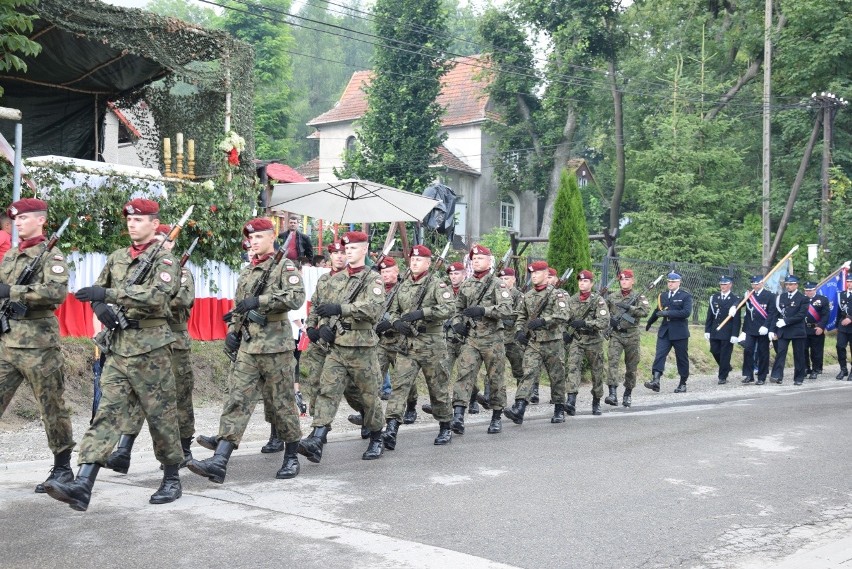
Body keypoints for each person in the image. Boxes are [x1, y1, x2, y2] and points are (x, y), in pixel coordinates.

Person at [45, 198, 182, 511]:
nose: (132, 224)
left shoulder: (165, 260)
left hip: (151, 348)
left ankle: (172, 477)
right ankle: (84, 482)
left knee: (160, 416)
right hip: (119, 347)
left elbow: (155, 297)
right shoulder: (118, 256)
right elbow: (98, 288)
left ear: (153, 223)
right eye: (129, 220)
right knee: (107, 413)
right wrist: (100, 307)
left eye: (138, 220)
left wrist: (107, 295)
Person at [188, 217, 306, 483]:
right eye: (250, 239)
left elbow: (296, 297)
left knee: (282, 403)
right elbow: (241, 306)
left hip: (276, 347)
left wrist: (261, 300)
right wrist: (233, 333)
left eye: (258, 237)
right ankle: (219, 461)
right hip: (249, 346)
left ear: (271, 236)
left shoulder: (284, 267)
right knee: (237, 400)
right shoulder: (247, 271)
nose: (253, 243)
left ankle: (291, 457)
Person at [103, 224, 197, 474]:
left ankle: (184, 449)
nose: (160, 244)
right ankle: (123, 450)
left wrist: (145, 296)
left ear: (172, 244)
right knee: (136, 399)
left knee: (177, 400)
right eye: (156, 240)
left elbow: (178, 299)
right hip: (145, 342)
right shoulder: (143, 273)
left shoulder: (181, 272)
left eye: (164, 241)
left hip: (174, 342)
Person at [0, 198, 75, 494]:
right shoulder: (11, 256)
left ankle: (63, 468)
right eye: (15, 219)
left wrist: (14, 290)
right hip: (7, 342)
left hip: (40, 346)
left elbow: (56, 292)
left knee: (52, 407)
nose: (18, 223)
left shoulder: (51, 256)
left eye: (24, 218)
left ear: (40, 220)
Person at [298, 230, 386, 463]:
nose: (348, 252)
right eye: (346, 249)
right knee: (327, 390)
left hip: (362, 348)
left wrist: (342, 309)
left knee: (369, 397)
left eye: (354, 248)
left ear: (364, 250)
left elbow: (373, 310)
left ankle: (377, 437)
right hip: (337, 347)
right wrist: (318, 327)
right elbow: (320, 306)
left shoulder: (373, 279)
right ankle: (317, 438)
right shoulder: (335, 279)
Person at [383, 245, 454, 449]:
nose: (414, 263)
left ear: (428, 263)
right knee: (399, 387)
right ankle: (391, 429)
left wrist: (423, 313)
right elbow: (394, 310)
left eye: (419, 260)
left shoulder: (437, 285)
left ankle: (445, 426)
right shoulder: (403, 285)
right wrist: (397, 323)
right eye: (412, 260)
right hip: (408, 345)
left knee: (437, 387)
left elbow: (449, 308)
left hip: (432, 344)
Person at [449, 244, 513, 435]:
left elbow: (507, 310)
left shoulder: (497, 284)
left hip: (493, 339)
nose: (476, 261)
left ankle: (496, 417)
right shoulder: (467, 284)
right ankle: (458, 416)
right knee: (464, 374)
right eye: (473, 259)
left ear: (488, 261)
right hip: (472, 338)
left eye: (480, 258)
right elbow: (457, 308)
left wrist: (484, 310)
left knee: (495, 379)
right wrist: (458, 322)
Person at [504, 261, 569, 425]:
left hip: (553, 342)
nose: (533, 276)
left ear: (546, 275)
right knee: (528, 373)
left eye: (537, 273)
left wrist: (543, 321)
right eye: (531, 273)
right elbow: (521, 315)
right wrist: (519, 330)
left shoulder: (557, 294)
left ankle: (559, 409)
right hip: (534, 343)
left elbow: (563, 315)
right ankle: (519, 407)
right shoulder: (528, 295)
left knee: (557, 377)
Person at [564, 270, 610, 416]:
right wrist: (566, 332)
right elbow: (565, 318)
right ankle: (571, 401)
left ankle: (596, 401)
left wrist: (585, 323)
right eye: (580, 281)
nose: (581, 283)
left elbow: (604, 321)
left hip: (594, 340)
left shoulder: (598, 301)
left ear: (591, 283)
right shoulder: (572, 300)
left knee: (597, 371)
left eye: (585, 281)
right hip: (577, 340)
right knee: (572, 368)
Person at [605, 269, 650, 407]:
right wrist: (609, 321)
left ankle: (628, 393)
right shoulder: (612, 297)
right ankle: (612, 393)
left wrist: (630, 308)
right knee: (612, 362)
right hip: (616, 334)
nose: (624, 282)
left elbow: (645, 312)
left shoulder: (638, 297)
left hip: (632, 335)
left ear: (632, 281)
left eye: (627, 279)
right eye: (622, 280)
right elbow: (603, 312)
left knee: (631, 366)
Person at [644, 272, 692, 393]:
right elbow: (657, 310)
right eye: (669, 282)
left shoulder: (685, 296)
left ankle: (683, 383)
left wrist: (668, 313)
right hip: (665, 331)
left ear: (679, 282)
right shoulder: (663, 295)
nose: (670, 284)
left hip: (679, 331)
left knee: (682, 358)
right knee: (660, 355)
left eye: (673, 282)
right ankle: (655, 380)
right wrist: (650, 322)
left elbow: (686, 312)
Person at [769, 275, 808, 385]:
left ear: (796, 285)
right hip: (783, 331)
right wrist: (772, 330)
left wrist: (786, 321)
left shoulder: (803, 298)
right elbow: (776, 315)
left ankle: (798, 378)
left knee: (799, 354)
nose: (788, 286)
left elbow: (801, 315)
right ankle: (777, 376)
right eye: (787, 284)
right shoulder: (781, 297)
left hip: (797, 331)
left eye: (790, 284)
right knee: (780, 353)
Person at [703, 275, 741, 385]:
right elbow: (710, 315)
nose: (722, 286)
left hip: (727, 331)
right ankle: (727, 367)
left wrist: (735, 334)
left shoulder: (735, 299)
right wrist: (707, 330)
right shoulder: (714, 297)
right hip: (715, 330)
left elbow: (736, 320)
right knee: (714, 350)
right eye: (721, 284)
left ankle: (722, 376)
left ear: (730, 285)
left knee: (725, 354)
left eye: (725, 284)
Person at [740, 275, 776, 385]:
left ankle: (762, 376)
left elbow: (772, 313)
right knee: (748, 351)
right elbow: (739, 303)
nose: (755, 286)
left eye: (757, 283)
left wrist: (766, 326)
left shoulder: (770, 296)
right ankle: (748, 375)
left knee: (763, 352)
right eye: (753, 284)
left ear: (762, 283)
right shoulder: (749, 295)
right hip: (750, 328)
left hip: (763, 329)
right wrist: (733, 306)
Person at [498, 268, 527, 399]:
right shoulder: (496, 293)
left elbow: (519, 314)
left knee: (519, 369)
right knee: (495, 367)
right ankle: (489, 396)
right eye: (502, 279)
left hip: (513, 338)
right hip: (498, 337)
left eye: (506, 278)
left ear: (513, 280)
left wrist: (501, 315)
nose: (503, 281)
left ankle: (521, 396)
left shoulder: (518, 295)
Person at [803, 281, 830, 379]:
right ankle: (806, 368)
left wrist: (821, 327)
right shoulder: (801, 300)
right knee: (803, 350)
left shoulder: (822, 300)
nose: (808, 292)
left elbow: (825, 315)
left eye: (810, 290)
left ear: (815, 289)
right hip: (803, 328)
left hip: (816, 328)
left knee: (816, 351)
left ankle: (816, 369)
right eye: (806, 290)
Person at [836, 273, 852, 380]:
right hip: (843, 325)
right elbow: (839, 311)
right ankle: (843, 369)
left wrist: (850, 318)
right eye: (848, 282)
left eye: (851, 282)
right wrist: (837, 324)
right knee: (840, 346)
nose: (849, 284)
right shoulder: (841, 294)